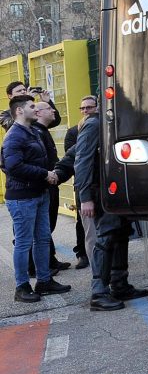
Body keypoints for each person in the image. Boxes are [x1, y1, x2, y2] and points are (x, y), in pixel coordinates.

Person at [55, 99, 148, 312]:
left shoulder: (114, 122)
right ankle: (99, 293)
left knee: (120, 234)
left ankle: (119, 284)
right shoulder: (95, 124)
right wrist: (84, 196)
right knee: (105, 238)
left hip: (116, 190)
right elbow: (81, 158)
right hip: (101, 191)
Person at [1, 94, 70, 302]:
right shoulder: (14, 136)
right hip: (22, 198)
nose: (36, 109)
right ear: (19, 110)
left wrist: (51, 174)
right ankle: (22, 287)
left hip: (40, 193)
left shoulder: (32, 131)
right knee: (23, 243)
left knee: (42, 239)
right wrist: (44, 174)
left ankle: (44, 281)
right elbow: (13, 166)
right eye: (32, 106)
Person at [29, 100, 71, 275]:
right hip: (45, 184)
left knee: (47, 226)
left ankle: (48, 261)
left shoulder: (42, 130)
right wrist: (47, 175)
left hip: (51, 183)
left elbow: (56, 119)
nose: (53, 110)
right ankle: (35, 267)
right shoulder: (35, 132)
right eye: (48, 108)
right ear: (38, 113)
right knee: (40, 229)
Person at [64, 95, 100, 269]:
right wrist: (57, 173)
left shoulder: (99, 125)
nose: (85, 110)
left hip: (98, 187)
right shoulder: (74, 131)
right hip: (85, 187)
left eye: (89, 107)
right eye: (83, 108)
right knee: (87, 228)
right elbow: (75, 160)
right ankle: (85, 258)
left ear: (97, 107)